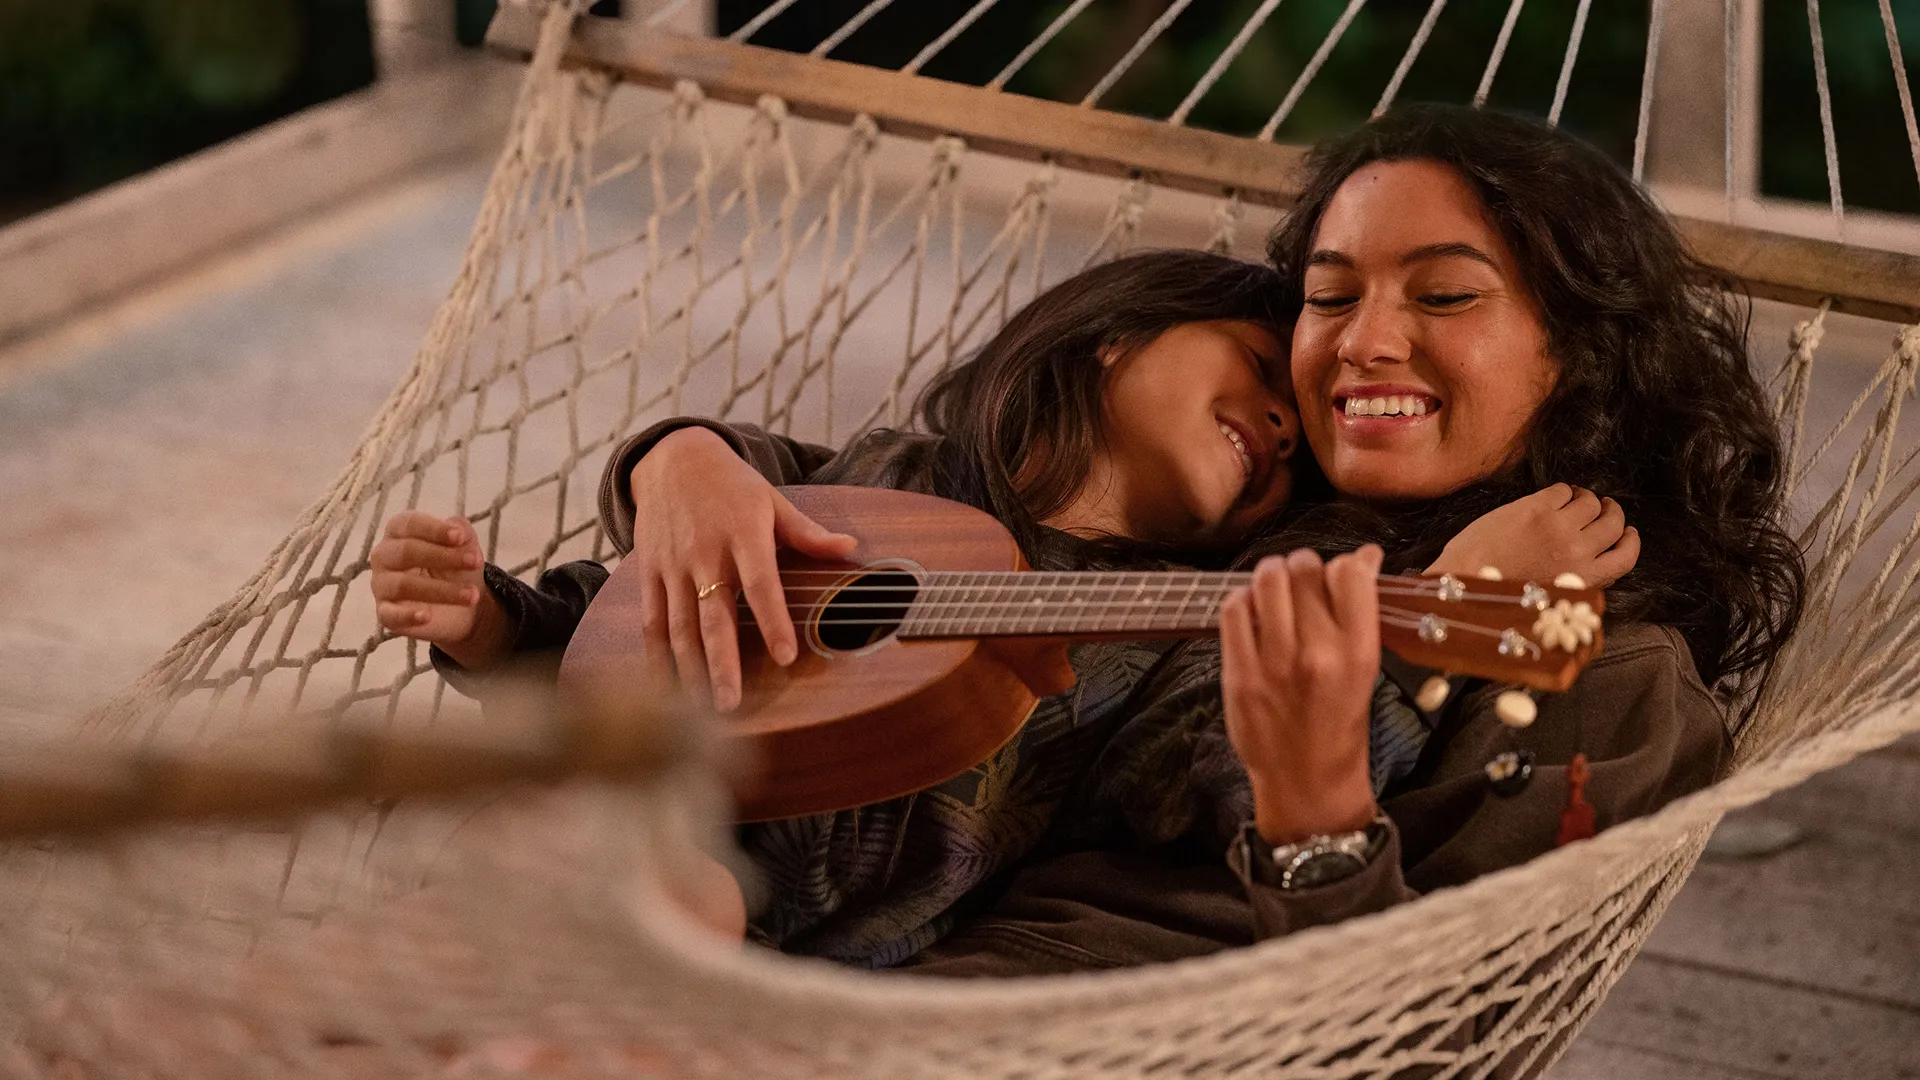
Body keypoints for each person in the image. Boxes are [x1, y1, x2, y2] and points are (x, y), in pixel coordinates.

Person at [368, 248, 1636, 965]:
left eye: (1292, 457)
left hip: (767, 951)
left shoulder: (1170, 628)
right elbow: (629, 622)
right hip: (578, 819)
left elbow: (1253, 768)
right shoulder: (888, 476)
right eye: (1257, 372)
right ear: (1113, 338)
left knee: (669, 897)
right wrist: (499, 619)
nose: (1273, 426)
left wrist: (1447, 602)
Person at [882, 103, 1805, 977]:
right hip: (849, 981)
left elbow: (1448, 1043)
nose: (1363, 342)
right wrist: (727, 472)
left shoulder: (1610, 678)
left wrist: (1317, 816)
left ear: (1584, 356)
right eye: (1329, 297)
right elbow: (860, 494)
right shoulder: (1239, 513)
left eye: (1443, 294)